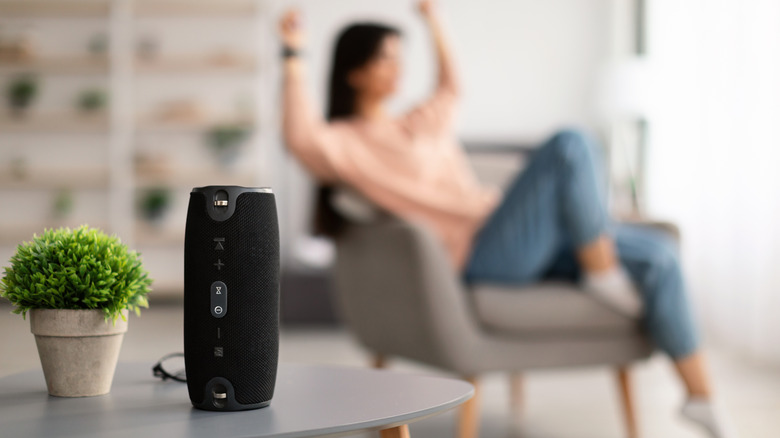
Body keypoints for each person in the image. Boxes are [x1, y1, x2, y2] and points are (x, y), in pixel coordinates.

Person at [279, 2, 731, 437]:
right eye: (384, 60)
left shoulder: (420, 121)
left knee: (660, 255)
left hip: (520, 240)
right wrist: (292, 53)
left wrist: (435, 20)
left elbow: (452, 86)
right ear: (354, 71)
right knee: (570, 144)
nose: (397, 69)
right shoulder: (345, 144)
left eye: (401, 58)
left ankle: (700, 399)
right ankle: (603, 271)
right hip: (484, 253)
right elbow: (299, 136)